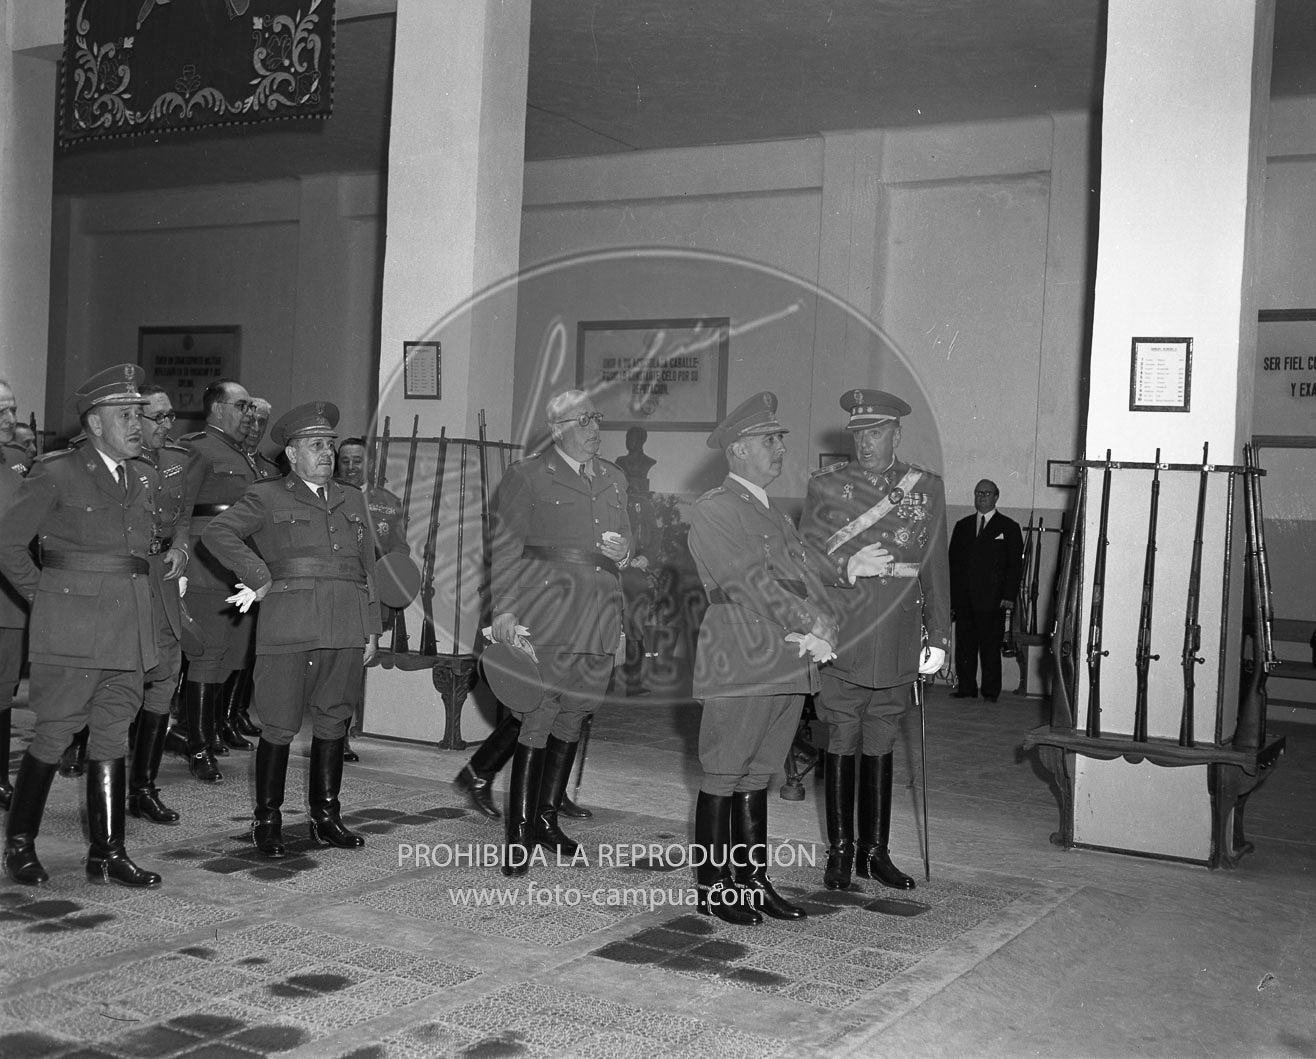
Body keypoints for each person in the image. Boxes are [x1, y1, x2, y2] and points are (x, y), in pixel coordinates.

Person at [687, 391, 890, 925]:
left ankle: (753, 880)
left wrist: (847, 569)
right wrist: (814, 622)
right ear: (737, 451)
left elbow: (806, 566)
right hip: (741, 657)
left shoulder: (770, 513)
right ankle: (715, 887)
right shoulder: (715, 509)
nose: (780, 448)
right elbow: (749, 583)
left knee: (759, 775)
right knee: (723, 774)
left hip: (783, 659)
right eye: (767, 440)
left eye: (780, 439)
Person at [0, 364, 164, 888]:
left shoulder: (143, 475)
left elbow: (141, 557)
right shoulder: (56, 473)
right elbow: (7, 546)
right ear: (95, 423)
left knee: (113, 735)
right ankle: (20, 846)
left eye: (139, 413)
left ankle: (108, 852)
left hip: (130, 628)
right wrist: (47, 599)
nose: (137, 424)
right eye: (125, 415)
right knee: (52, 734)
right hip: (71, 631)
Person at [202, 402, 381, 859]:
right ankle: (268, 820)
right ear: (293, 455)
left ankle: (326, 817)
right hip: (290, 624)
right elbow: (217, 534)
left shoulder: (354, 497)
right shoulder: (267, 496)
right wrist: (258, 575)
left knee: (334, 719)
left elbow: (367, 568)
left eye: (331, 445)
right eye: (317, 445)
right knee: (279, 726)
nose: (328, 453)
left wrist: (372, 627)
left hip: (345, 623)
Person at [799, 389, 950, 893]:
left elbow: (935, 566)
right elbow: (806, 560)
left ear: (896, 433)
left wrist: (942, 634)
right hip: (847, 634)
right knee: (842, 736)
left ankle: (875, 852)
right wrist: (845, 567)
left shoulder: (925, 488)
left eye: (877, 431)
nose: (866, 442)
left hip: (900, 635)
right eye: (859, 433)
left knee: (882, 738)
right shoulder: (826, 487)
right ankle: (840, 853)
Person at [482, 389, 630, 877]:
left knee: (575, 716)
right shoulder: (527, 475)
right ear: (558, 428)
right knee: (536, 717)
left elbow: (624, 548)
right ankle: (518, 834)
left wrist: (624, 553)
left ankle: (547, 820)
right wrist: (504, 609)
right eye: (584, 420)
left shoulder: (614, 477)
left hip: (600, 615)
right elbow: (505, 547)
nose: (595, 428)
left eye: (597, 418)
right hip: (548, 612)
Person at [174, 379, 259, 781]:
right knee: (207, 656)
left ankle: (194, 729)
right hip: (208, 565)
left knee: (232, 655)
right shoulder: (198, 447)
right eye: (242, 406)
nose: (249, 414)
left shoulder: (247, 456)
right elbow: (180, 509)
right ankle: (199, 746)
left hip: (240, 566)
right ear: (218, 409)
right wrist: (182, 562)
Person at [122, 384, 192, 825]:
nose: (168, 426)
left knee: (165, 676)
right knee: (121, 680)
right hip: (128, 582)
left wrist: (181, 550)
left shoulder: (176, 463)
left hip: (163, 581)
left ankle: (143, 787)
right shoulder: (116, 465)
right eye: (158, 418)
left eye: (170, 417)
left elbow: (182, 517)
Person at [336, 435, 409, 760]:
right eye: (346, 460)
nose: (351, 467)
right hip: (336, 591)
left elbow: (400, 548)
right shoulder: (329, 495)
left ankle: (341, 736)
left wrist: (396, 571)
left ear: (370, 463)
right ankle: (329, 732)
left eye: (357, 461)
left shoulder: (388, 502)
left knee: (356, 666)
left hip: (370, 595)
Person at [948, 478, 1023, 702]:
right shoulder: (963, 526)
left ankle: (990, 692)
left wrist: (1009, 596)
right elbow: (953, 564)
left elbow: (1015, 566)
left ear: (996, 497)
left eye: (987, 493)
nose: (982, 497)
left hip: (993, 600)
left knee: (990, 648)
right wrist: (952, 598)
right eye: (978, 493)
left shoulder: (1008, 527)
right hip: (965, 600)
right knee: (965, 647)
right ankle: (967, 688)